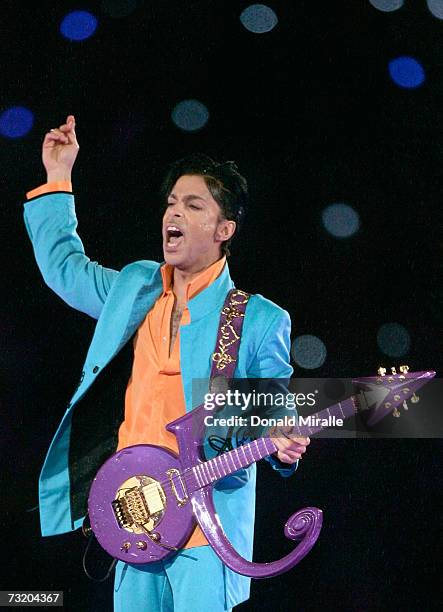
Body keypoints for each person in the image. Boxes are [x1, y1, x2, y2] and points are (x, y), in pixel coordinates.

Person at [23, 115, 310, 611]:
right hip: (133, 519)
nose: (172, 213)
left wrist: (283, 441)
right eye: (171, 202)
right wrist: (58, 177)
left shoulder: (258, 318)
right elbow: (65, 270)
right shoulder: (134, 287)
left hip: (207, 530)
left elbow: (275, 409)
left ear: (224, 229)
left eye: (192, 204)